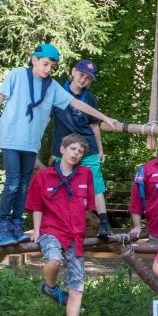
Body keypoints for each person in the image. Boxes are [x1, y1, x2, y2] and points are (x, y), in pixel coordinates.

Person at [0, 43, 114, 246]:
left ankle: (16, 225)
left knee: (23, 185)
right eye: (45, 64)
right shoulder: (18, 75)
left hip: (30, 143)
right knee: (13, 182)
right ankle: (3, 227)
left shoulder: (52, 86)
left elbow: (76, 103)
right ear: (34, 60)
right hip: (11, 138)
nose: (48, 69)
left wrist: (104, 117)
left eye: (52, 66)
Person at [27, 134, 96, 316]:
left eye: (80, 151)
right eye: (73, 149)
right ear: (63, 149)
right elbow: (36, 205)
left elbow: (87, 204)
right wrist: (37, 230)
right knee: (54, 261)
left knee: (77, 289)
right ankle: (50, 287)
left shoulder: (85, 174)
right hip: (51, 230)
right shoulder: (44, 175)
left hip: (76, 235)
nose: (76, 154)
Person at [51, 59, 114, 239]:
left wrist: (100, 149)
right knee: (61, 183)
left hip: (88, 147)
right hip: (63, 148)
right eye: (81, 74)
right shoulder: (58, 93)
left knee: (96, 182)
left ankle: (104, 223)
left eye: (88, 78)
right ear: (73, 72)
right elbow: (46, 117)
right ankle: (59, 223)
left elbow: (94, 126)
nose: (83, 79)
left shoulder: (91, 99)